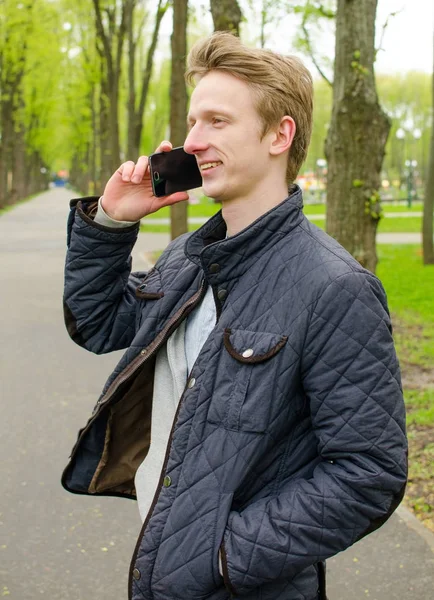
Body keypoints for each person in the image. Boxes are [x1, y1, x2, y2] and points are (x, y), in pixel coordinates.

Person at [62, 32, 407, 600]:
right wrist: (111, 222)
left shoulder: (335, 288)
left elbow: (369, 472)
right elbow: (98, 323)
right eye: (194, 122)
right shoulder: (189, 258)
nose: (192, 142)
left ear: (280, 134)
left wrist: (222, 552)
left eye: (217, 122)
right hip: (159, 564)